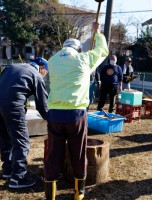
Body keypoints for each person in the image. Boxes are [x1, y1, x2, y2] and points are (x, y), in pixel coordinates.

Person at [44, 22, 108, 200]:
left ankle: (50, 194)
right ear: (78, 49)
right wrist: (98, 33)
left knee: (53, 152)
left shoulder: (52, 60)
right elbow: (103, 51)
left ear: (63, 47)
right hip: (76, 114)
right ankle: (79, 192)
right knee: (78, 152)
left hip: (55, 113)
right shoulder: (83, 59)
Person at [0, 57, 49, 188]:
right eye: (46, 72)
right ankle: (18, 178)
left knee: (4, 138)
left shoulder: (12, 67)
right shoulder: (36, 75)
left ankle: (7, 170)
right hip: (13, 107)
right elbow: (42, 104)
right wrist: (50, 120)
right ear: (42, 68)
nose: (45, 75)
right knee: (21, 141)